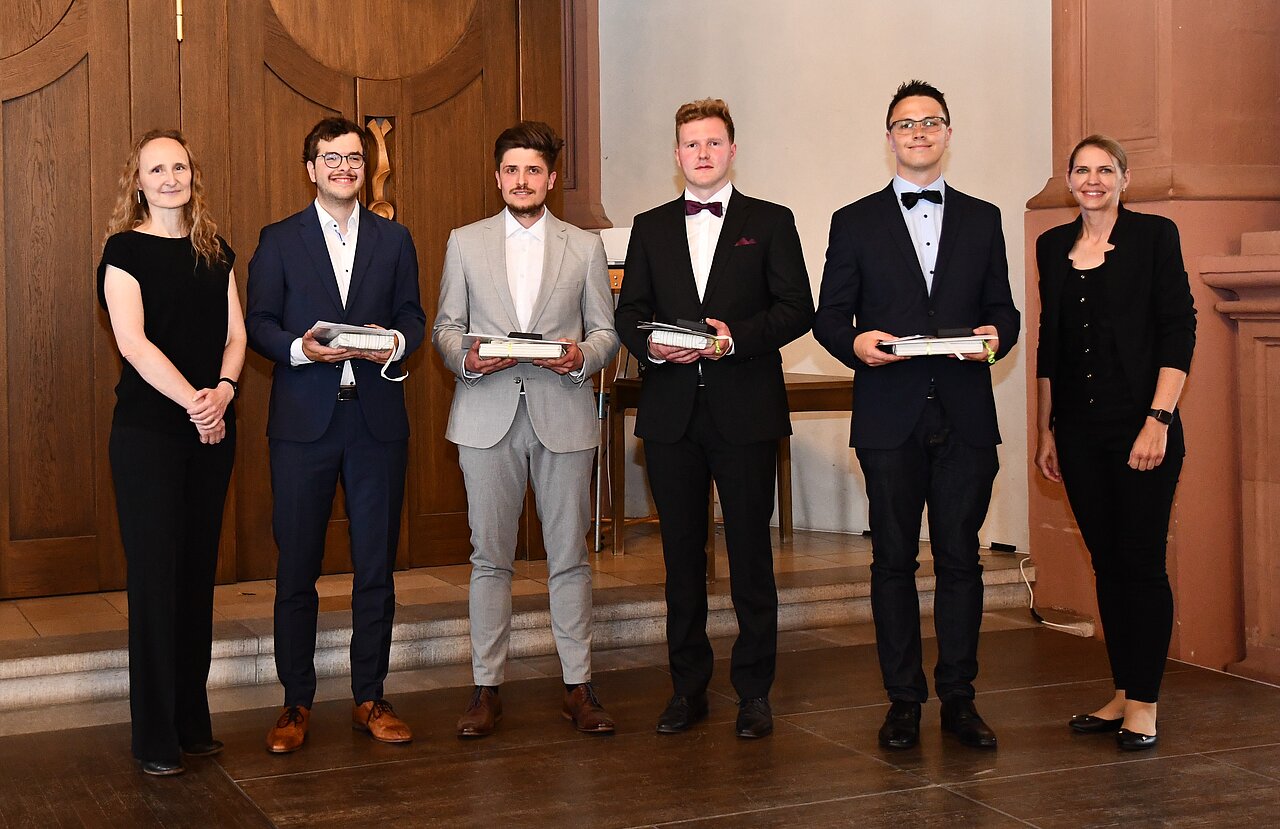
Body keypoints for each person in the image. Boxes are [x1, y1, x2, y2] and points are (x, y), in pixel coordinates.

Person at [813, 80, 1020, 751]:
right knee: (892, 562)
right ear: (890, 138)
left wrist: (996, 337)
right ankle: (902, 700)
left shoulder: (984, 218)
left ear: (948, 133)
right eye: (906, 124)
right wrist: (855, 344)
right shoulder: (854, 220)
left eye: (931, 121)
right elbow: (828, 317)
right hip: (889, 416)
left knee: (961, 560)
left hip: (965, 415)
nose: (919, 132)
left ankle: (960, 698)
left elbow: (1004, 310)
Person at [614, 99, 814, 739]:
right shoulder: (649, 226)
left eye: (713, 142)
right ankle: (687, 689)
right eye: (690, 144)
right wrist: (651, 345)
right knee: (680, 559)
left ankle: (754, 691)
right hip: (671, 414)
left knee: (751, 556)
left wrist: (735, 339)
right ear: (676, 155)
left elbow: (797, 308)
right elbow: (629, 311)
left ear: (732, 150)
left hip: (746, 411)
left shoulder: (771, 221)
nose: (701, 153)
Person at [432, 121, 621, 738]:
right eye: (512, 170)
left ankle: (578, 686)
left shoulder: (583, 247)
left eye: (533, 170)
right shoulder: (465, 242)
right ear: (497, 177)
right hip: (485, 415)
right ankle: (485, 689)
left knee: (570, 557)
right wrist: (466, 357)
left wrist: (582, 357)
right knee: (489, 559)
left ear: (551, 178)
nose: (522, 180)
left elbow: (606, 332)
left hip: (563, 413)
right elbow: (445, 328)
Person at [246, 117, 426, 753]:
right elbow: (258, 322)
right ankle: (295, 702)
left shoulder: (394, 238)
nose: (344, 167)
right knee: (297, 567)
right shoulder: (278, 239)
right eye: (331, 157)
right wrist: (301, 349)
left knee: (375, 567)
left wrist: (394, 341)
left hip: (375, 423)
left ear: (364, 167)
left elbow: (412, 316)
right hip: (304, 426)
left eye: (353, 157)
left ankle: (369, 696)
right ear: (310, 168)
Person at [1034, 135, 1195, 752]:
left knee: (1141, 563)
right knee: (1107, 563)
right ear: (1069, 180)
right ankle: (1125, 690)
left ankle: (1145, 703)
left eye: (1105, 170)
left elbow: (1178, 328)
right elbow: (1050, 343)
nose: (1093, 180)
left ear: (1124, 179)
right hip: (1077, 432)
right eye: (1082, 170)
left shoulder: (1154, 236)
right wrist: (1047, 429)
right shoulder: (1052, 245)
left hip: (1140, 427)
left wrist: (1159, 419)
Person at [98, 129, 245, 776]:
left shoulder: (215, 250)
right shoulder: (123, 251)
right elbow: (133, 342)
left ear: (193, 175)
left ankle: (192, 723)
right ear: (137, 181)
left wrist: (225, 392)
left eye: (179, 167)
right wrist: (196, 402)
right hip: (150, 436)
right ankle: (155, 736)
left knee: (195, 578)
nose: (169, 178)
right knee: (157, 582)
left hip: (211, 431)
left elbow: (236, 335)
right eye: (156, 169)